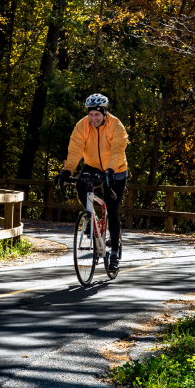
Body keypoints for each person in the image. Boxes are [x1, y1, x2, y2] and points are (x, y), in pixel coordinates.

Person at [54, 93, 129, 271]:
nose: (93, 118)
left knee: (112, 209)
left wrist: (111, 169)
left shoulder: (116, 125)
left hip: (116, 169)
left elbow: (118, 150)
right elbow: (75, 150)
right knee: (80, 184)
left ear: (104, 112)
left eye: (97, 114)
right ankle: (92, 217)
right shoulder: (82, 126)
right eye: (90, 114)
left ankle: (114, 252)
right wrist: (67, 171)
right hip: (93, 166)